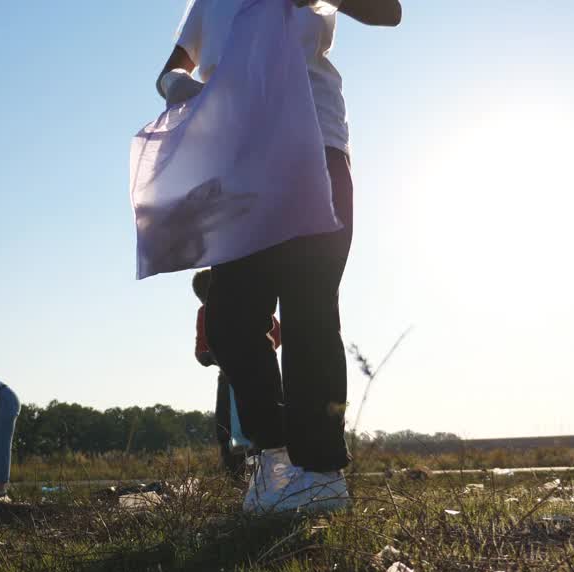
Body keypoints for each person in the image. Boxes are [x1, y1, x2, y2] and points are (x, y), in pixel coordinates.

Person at [158, 0, 401, 512]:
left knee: (308, 306)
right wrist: (177, 85)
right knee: (228, 319)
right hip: (238, 160)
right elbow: (173, 65)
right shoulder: (210, 4)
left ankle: (322, 472)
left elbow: (388, 11)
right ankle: (276, 455)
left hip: (312, 146)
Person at [192, 269, 280, 476]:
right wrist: (210, 357)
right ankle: (237, 474)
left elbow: (275, 332)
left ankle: (262, 472)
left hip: (254, 372)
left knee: (258, 421)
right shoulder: (204, 312)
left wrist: (258, 352)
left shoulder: (245, 305)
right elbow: (201, 348)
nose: (206, 301)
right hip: (229, 374)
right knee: (226, 426)